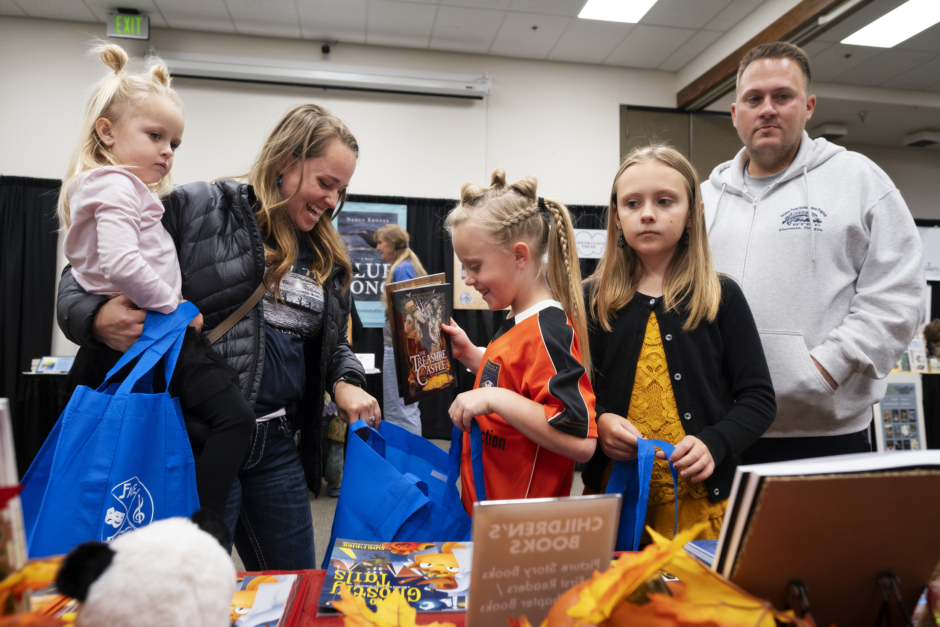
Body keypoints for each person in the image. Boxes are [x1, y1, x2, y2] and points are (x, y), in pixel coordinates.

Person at [57, 102, 381, 569]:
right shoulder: (198, 208)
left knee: (293, 585)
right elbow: (85, 271)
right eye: (325, 183)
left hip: (276, 449)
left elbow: (334, 345)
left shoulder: (327, 255)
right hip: (194, 441)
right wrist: (96, 316)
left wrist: (345, 380)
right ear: (286, 162)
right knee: (185, 586)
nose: (332, 201)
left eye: (341, 190)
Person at [56, 44, 254, 517]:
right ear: (106, 132)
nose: (167, 151)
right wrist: (176, 306)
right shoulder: (115, 186)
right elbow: (121, 263)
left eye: (174, 144)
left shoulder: (120, 189)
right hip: (152, 330)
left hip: (144, 338)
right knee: (232, 420)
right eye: (155, 136)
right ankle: (200, 526)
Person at [703, 42, 924, 464]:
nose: (767, 109)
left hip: (825, 433)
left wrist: (828, 367)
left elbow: (899, 295)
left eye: (782, 96)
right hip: (719, 431)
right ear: (735, 113)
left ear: (808, 107)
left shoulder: (858, 180)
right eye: (754, 99)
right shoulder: (704, 200)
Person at [581, 144, 776, 542]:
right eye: (632, 203)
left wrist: (715, 443)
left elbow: (758, 399)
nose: (647, 213)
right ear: (616, 216)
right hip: (613, 506)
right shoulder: (591, 299)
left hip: (701, 511)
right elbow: (572, 392)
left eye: (665, 201)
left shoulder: (721, 296)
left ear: (693, 214)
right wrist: (598, 421)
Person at [441, 169, 597, 514]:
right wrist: (473, 356)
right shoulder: (519, 317)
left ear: (519, 256)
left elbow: (581, 440)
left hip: (519, 527)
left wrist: (493, 397)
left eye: (474, 266)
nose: (468, 279)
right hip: (493, 516)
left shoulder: (548, 330)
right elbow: (519, 380)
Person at [374, 224, 427, 436]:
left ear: (393, 243)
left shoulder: (402, 269)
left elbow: (410, 310)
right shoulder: (406, 266)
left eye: (380, 242)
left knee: (401, 410)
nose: (377, 247)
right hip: (405, 346)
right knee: (402, 408)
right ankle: (403, 454)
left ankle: (407, 455)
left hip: (400, 347)